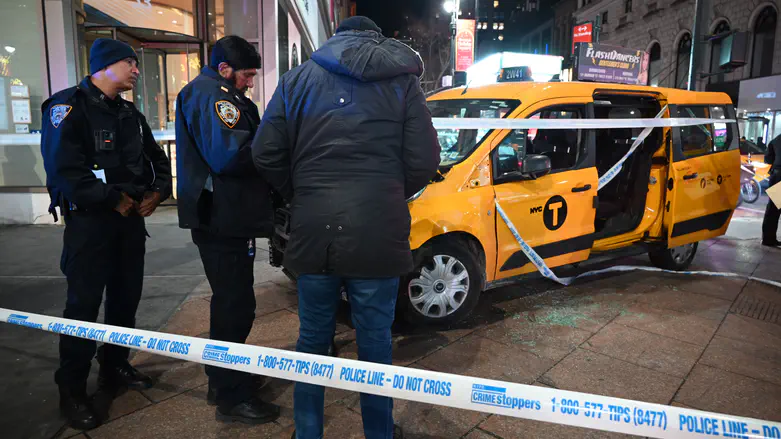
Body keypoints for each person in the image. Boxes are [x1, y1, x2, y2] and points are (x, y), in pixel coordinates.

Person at [253, 16, 440, 439]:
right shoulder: (402, 82)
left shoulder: (297, 79)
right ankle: (378, 433)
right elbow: (425, 160)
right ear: (376, 40)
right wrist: (390, 193)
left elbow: (265, 152)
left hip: (312, 230)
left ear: (334, 38)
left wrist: (299, 193)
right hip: (378, 229)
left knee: (312, 342)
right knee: (374, 342)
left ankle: (308, 432)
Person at [40, 38, 172, 429]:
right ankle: (72, 390)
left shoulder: (130, 113)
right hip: (90, 225)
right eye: (129, 63)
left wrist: (158, 192)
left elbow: (157, 159)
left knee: (125, 301)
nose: (136, 70)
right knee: (82, 308)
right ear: (105, 67)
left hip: (130, 222)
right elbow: (64, 169)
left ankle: (114, 367)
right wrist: (110, 199)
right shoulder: (66, 107)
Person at [174, 35, 280, 424]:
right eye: (247, 75)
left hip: (228, 217)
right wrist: (276, 145)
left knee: (234, 304)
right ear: (224, 69)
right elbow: (231, 154)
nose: (250, 82)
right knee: (234, 306)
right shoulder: (211, 96)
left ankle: (224, 377)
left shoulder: (217, 94)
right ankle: (230, 397)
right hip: (222, 219)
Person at [762, 134, 781, 246]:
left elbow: (768, 159)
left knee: (773, 209)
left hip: (776, 175)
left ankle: (768, 239)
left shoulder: (776, 140)